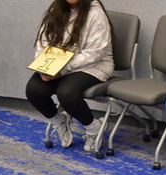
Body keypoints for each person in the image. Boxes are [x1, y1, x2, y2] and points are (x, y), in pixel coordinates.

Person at [26, 0, 113, 153]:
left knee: (66, 93)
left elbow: (95, 53)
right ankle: (59, 121)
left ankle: (94, 129)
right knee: (34, 89)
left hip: (94, 65)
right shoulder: (55, 10)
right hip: (60, 64)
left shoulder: (95, 13)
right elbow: (43, 43)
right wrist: (43, 67)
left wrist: (61, 69)